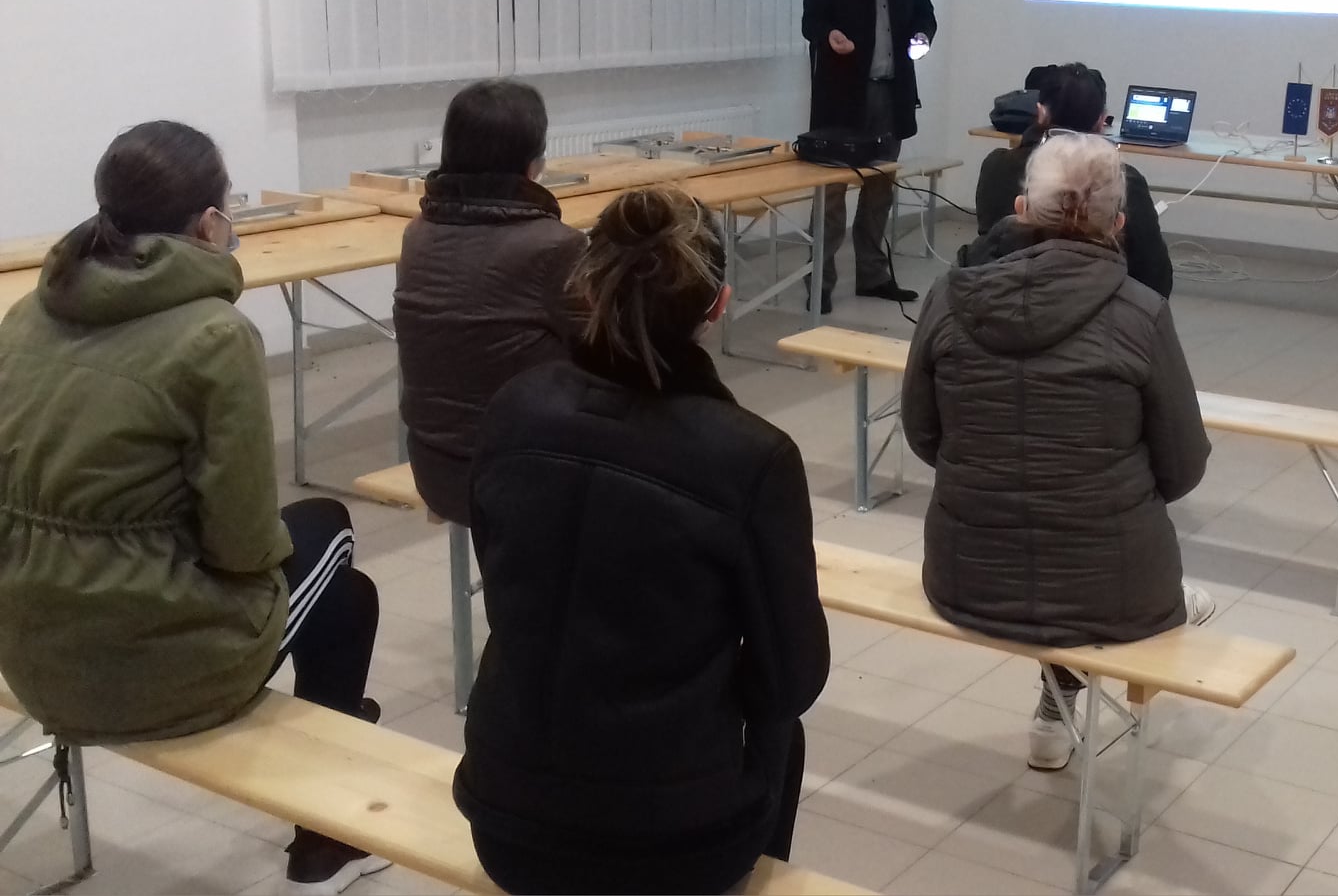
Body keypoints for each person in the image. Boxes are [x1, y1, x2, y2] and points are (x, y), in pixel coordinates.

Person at [0, 122, 385, 895]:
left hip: (28, 642)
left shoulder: (25, 317)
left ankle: (330, 809)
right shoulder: (213, 335)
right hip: (143, 670)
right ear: (209, 224)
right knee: (343, 573)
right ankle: (325, 836)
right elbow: (242, 541)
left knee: (333, 574)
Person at [453, 187, 831, 895]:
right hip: (671, 852)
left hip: (505, 822)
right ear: (719, 306)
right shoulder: (752, 456)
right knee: (780, 732)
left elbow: (506, 580)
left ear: (587, 287)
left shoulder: (514, 408)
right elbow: (793, 677)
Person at [904, 133, 1213, 771]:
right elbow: (1183, 467)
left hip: (967, 578)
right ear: (1119, 225)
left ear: (1021, 210)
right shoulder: (1143, 313)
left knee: (1060, 544)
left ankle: (1057, 702)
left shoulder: (948, 297)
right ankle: (1057, 702)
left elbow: (923, 435)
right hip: (1114, 590)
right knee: (1118, 568)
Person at [393, 79, 585, 528]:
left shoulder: (417, 234)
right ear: (532, 165)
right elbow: (610, 357)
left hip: (435, 469)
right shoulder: (556, 246)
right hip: (518, 477)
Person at [799, 0, 937, 311]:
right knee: (832, 193)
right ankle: (819, 283)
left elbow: (925, 11)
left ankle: (874, 275)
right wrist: (829, 36)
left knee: (880, 189)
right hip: (841, 95)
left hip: (892, 91)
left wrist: (922, 36)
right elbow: (811, 18)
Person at [972, 63, 1174, 297]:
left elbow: (986, 251)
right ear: (1101, 121)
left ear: (1040, 112)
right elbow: (1154, 277)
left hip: (1001, 297)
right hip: (1101, 303)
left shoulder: (997, 165)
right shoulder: (1124, 180)